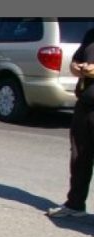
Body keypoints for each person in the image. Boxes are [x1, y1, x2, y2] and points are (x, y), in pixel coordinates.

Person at [47, 26, 94, 218]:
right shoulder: (91, 34)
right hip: (85, 104)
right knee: (79, 157)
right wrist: (77, 67)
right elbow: (76, 61)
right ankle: (75, 204)